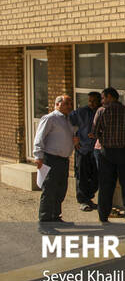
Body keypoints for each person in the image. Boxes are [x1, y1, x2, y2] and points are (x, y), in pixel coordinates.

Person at [92, 87, 125, 222]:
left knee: (105, 184)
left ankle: (103, 215)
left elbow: (95, 132)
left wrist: (103, 139)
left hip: (106, 152)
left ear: (110, 97)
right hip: (123, 151)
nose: (101, 101)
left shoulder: (101, 112)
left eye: (103, 98)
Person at [33, 94, 74, 224]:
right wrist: (38, 156)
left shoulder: (67, 120)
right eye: (66, 103)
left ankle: (56, 216)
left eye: (70, 104)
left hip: (63, 160)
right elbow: (39, 138)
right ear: (57, 104)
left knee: (61, 189)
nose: (69, 106)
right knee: (49, 189)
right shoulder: (50, 118)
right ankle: (45, 219)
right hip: (51, 159)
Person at [69, 92, 101, 211]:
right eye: (90, 101)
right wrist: (74, 137)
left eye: (94, 101)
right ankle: (83, 200)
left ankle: (89, 197)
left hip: (96, 149)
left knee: (95, 176)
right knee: (81, 175)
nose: (91, 103)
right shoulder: (81, 112)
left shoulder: (101, 111)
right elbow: (67, 123)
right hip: (82, 148)